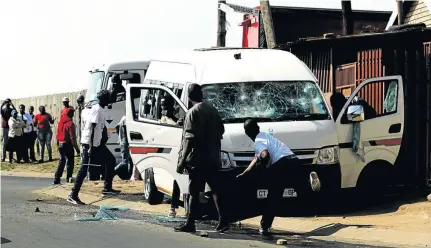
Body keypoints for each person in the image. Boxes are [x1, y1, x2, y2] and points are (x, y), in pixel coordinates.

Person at [237, 119, 322, 236]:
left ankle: (265, 225)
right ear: (258, 128)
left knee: (273, 195)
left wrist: (263, 168)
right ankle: (310, 183)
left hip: (281, 164)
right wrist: (245, 173)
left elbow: (264, 155)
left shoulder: (258, 142)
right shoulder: (265, 136)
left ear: (246, 133)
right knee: (301, 189)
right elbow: (256, 157)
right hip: (293, 160)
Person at [174, 83, 228, 233]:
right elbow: (221, 130)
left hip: (198, 160)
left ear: (189, 97)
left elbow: (189, 139)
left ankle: (190, 223)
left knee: (194, 192)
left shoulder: (192, 112)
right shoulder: (213, 110)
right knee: (216, 190)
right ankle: (223, 221)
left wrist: (182, 161)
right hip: (213, 158)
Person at [68, 90, 121, 205]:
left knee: (110, 160)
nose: (109, 99)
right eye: (107, 98)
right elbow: (91, 127)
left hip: (97, 143)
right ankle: (73, 194)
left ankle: (107, 188)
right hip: (90, 144)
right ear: (102, 99)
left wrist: (104, 137)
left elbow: (100, 127)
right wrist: (91, 146)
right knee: (84, 169)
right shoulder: (96, 109)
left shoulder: (101, 109)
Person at [54, 108, 80, 185]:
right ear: (71, 114)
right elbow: (73, 137)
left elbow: (57, 134)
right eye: (73, 113)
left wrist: (57, 144)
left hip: (61, 144)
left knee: (62, 161)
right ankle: (68, 178)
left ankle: (57, 178)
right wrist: (77, 149)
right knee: (70, 162)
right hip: (67, 144)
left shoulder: (60, 122)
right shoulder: (70, 123)